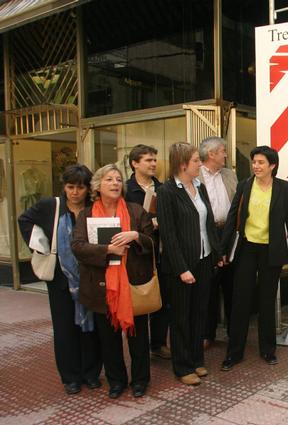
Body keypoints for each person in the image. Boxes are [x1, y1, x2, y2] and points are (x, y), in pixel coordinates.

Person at [72, 164, 155, 399]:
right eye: (109, 179)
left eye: (118, 179)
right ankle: (116, 381)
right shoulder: (87, 215)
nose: (115, 183)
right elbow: (77, 247)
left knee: (138, 338)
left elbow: (153, 242)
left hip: (133, 284)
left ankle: (140, 380)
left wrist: (136, 236)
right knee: (108, 340)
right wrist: (107, 249)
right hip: (102, 287)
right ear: (98, 186)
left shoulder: (136, 211)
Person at [18, 165, 102, 395]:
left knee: (91, 327)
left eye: (80, 187)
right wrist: (39, 245)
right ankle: (71, 377)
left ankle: (91, 373)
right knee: (65, 329)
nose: (75, 192)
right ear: (64, 187)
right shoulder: (51, 206)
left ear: (87, 188)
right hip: (60, 279)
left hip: (89, 277)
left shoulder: (94, 208)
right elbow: (24, 220)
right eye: (70, 187)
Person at [220, 146, 288, 371]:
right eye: (254, 162)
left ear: (272, 165)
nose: (256, 166)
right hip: (246, 249)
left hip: (271, 251)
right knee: (240, 300)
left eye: (261, 162)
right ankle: (234, 352)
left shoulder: (284, 188)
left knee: (267, 301)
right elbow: (232, 216)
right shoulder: (245, 185)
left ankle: (268, 349)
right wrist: (223, 249)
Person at [156, 142, 221, 386]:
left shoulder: (199, 187)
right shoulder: (167, 192)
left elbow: (208, 223)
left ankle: (196, 359)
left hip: (204, 259)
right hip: (181, 265)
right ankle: (182, 366)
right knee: (181, 317)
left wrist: (217, 253)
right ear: (182, 164)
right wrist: (181, 269)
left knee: (199, 314)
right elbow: (169, 235)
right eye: (196, 160)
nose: (200, 164)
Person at [124, 144, 171, 360]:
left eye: (154, 160)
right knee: (139, 301)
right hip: (137, 254)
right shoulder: (126, 190)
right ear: (135, 163)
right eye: (148, 160)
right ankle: (139, 347)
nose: (153, 164)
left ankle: (158, 343)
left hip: (161, 251)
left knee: (162, 299)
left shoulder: (163, 188)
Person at [198, 137, 237, 347]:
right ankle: (207, 333)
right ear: (211, 154)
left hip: (229, 233)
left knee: (232, 284)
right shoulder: (195, 176)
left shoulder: (229, 174)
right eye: (223, 151)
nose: (226, 154)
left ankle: (234, 331)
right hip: (207, 233)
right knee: (208, 285)